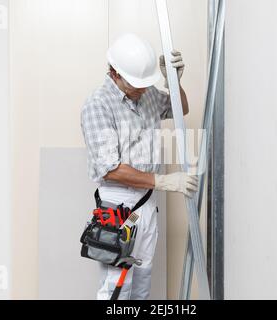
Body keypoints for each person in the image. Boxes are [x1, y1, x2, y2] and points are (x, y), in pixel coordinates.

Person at [80, 33, 198, 300]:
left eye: (147, 83)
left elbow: (183, 108)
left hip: (146, 203)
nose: (144, 89)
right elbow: (109, 168)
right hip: (118, 206)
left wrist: (173, 82)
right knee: (117, 287)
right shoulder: (97, 105)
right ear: (114, 73)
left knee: (142, 284)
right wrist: (164, 181)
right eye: (137, 84)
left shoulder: (148, 94)